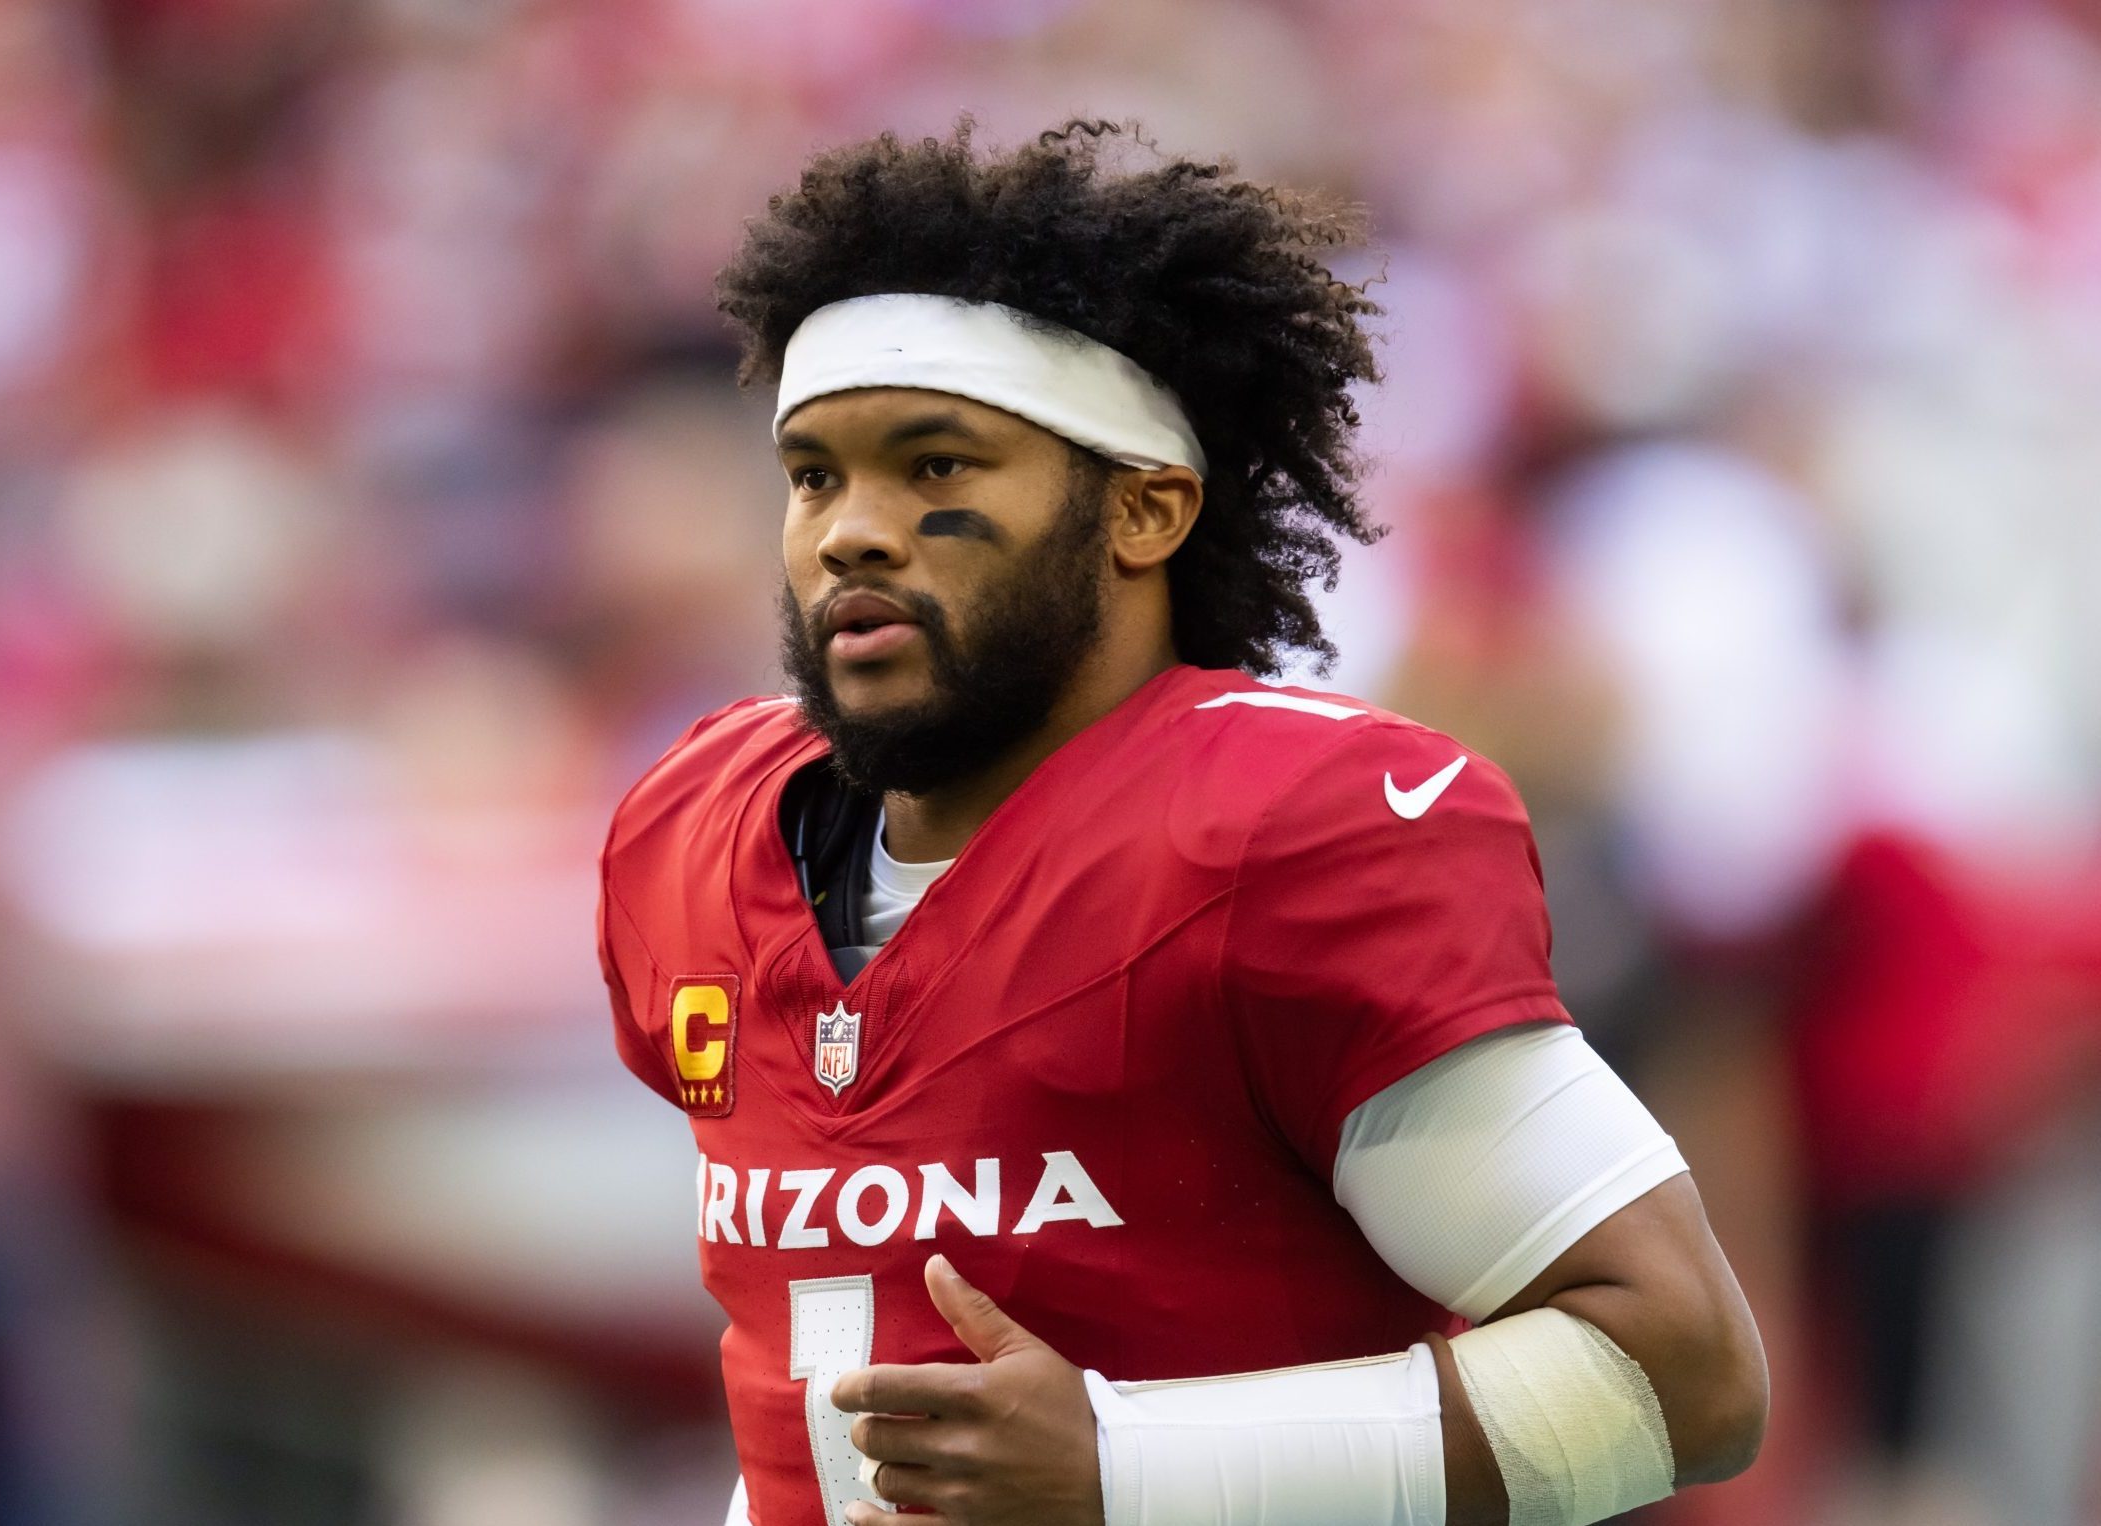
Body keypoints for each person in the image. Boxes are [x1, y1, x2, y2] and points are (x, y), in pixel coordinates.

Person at [598, 120, 1766, 1526]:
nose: (850, 528)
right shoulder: (695, 829)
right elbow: (811, 1388)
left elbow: (1681, 1370)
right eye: (812, 475)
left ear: (1143, 511)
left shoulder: (1282, 828)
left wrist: (1123, 1464)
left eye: (938, 466)